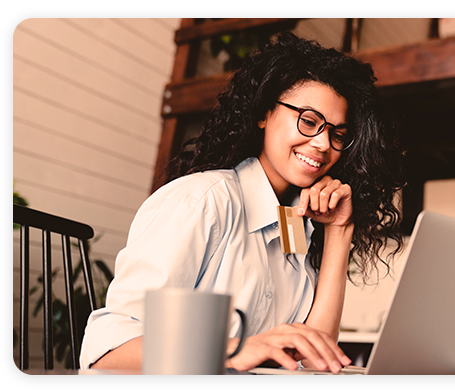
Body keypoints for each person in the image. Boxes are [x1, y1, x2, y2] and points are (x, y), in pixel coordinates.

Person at [80, 32, 404, 372]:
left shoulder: (296, 224)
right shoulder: (201, 201)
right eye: (309, 121)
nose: (323, 144)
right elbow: (107, 353)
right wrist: (235, 349)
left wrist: (340, 231)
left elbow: (313, 359)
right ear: (264, 114)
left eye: (338, 135)